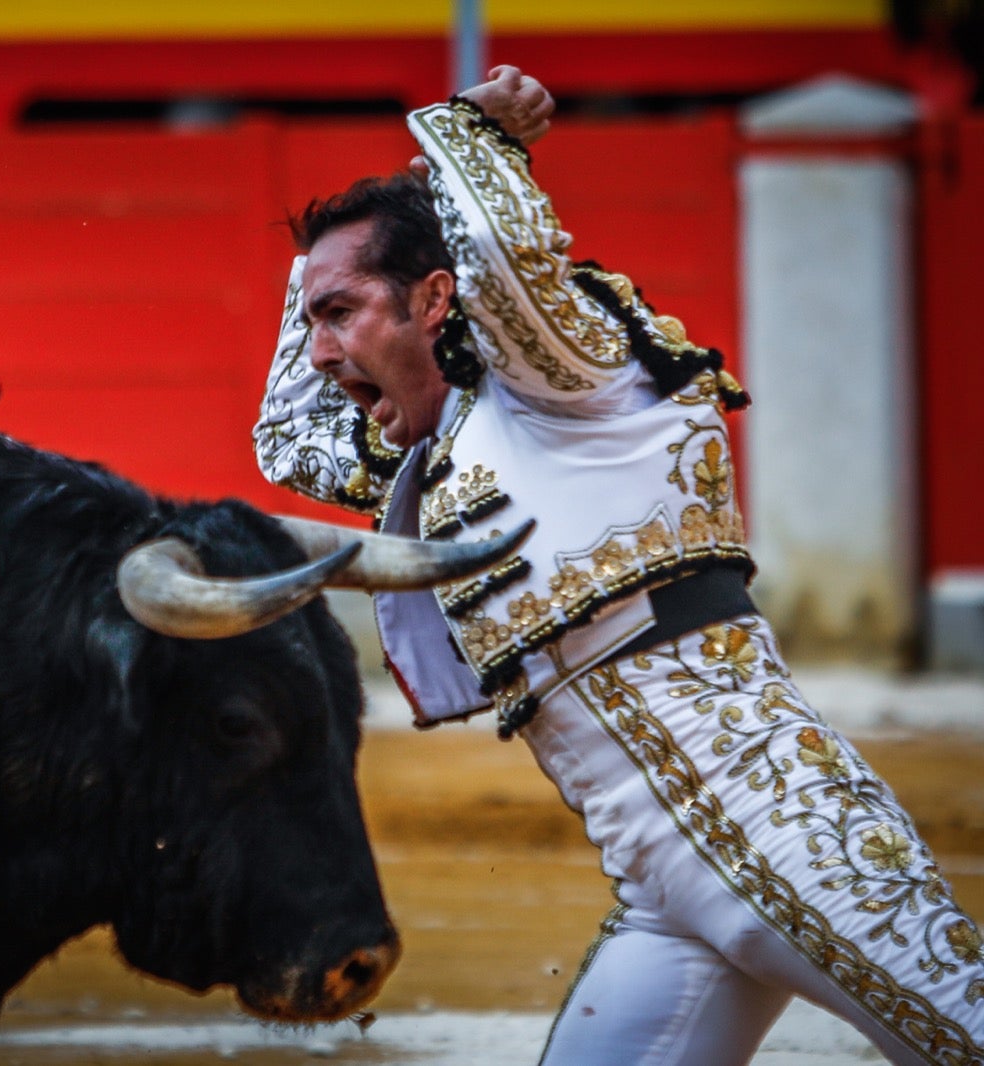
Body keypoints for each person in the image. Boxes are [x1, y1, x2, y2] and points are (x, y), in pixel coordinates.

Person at [253, 65, 984, 1065]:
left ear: (434, 299)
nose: (320, 349)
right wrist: (329, 268)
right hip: (658, 883)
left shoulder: (577, 376)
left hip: (784, 827)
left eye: (338, 314)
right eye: (312, 323)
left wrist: (467, 142)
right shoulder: (453, 443)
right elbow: (286, 441)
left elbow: (506, 259)